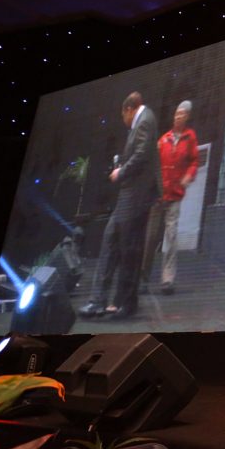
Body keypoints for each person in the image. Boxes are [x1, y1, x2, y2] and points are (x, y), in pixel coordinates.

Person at [79, 91, 161, 319]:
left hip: (135, 196)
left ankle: (120, 303)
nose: (124, 121)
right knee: (115, 244)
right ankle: (105, 301)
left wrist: (121, 172)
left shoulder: (144, 120)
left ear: (129, 109)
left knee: (127, 249)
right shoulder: (144, 121)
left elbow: (142, 154)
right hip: (131, 196)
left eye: (123, 115)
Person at [141, 100, 198, 295]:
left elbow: (194, 161)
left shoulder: (190, 138)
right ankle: (143, 278)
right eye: (176, 114)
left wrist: (189, 175)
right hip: (158, 196)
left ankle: (167, 280)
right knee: (150, 238)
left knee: (171, 237)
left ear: (187, 117)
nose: (178, 117)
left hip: (174, 196)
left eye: (182, 114)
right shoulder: (164, 139)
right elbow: (153, 164)